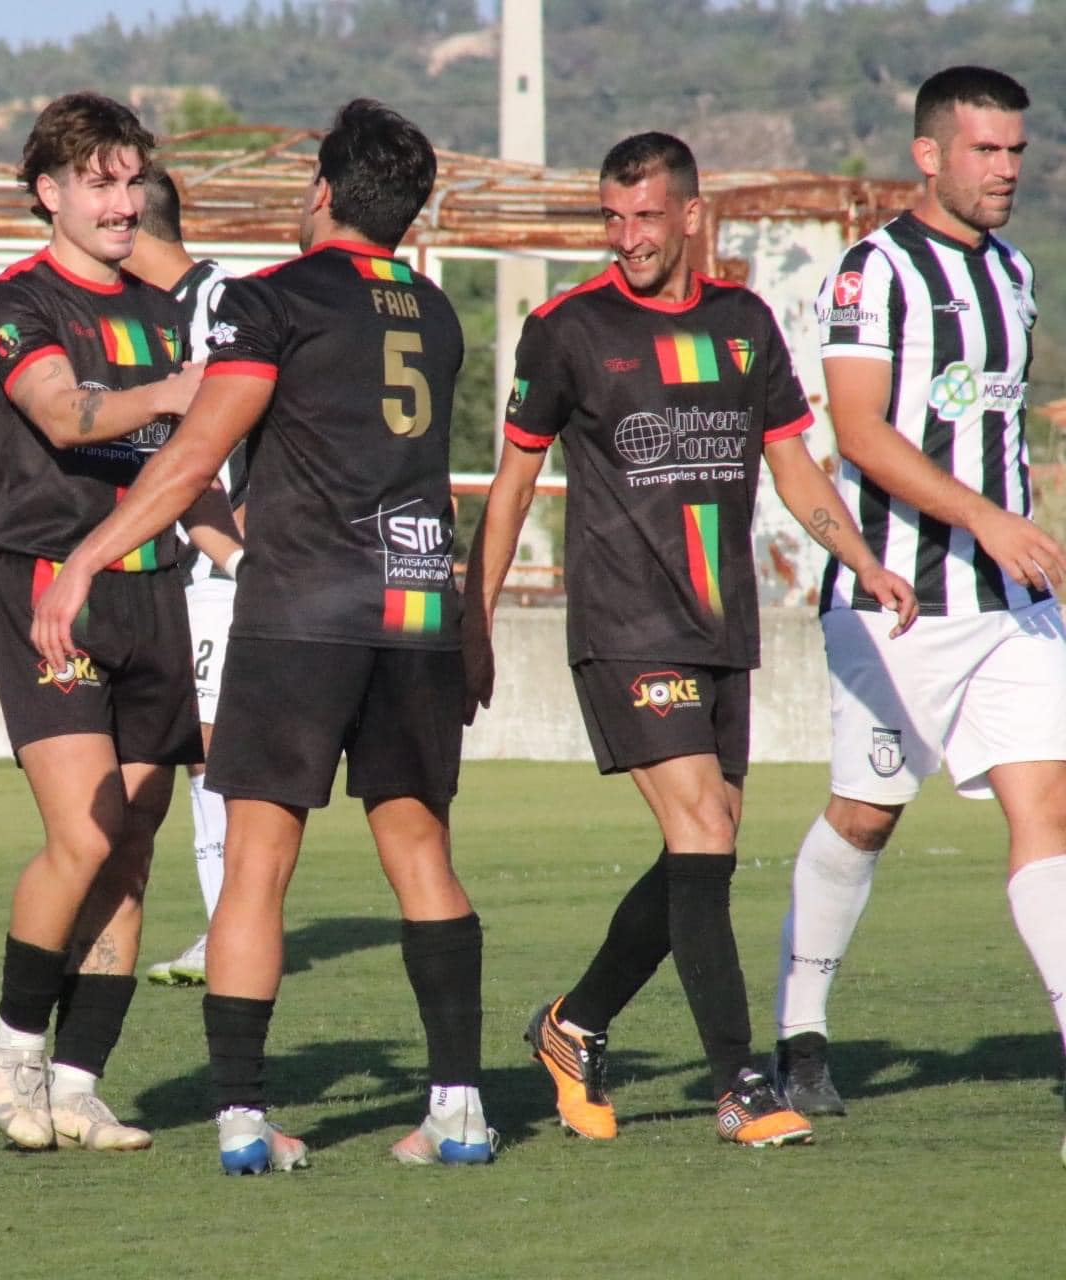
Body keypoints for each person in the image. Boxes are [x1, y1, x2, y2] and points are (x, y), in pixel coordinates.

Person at [36, 98, 498, 1173]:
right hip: (419, 609)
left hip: (305, 613)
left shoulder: (270, 299)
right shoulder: (435, 313)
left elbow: (196, 456)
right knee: (423, 856)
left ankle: (244, 1116)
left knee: (255, 862)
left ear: (325, 193)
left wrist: (91, 557)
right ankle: (460, 1107)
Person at [466, 131, 916, 1149]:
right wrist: (474, 619)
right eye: (611, 219)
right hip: (626, 627)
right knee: (704, 830)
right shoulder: (567, 329)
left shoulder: (746, 322)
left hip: (724, 630)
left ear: (691, 216)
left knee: (697, 851)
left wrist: (864, 556)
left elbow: (796, 469)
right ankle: (740, 1083)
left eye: (646, 218)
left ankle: (571, 1023)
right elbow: (510, 486)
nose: (626, 238)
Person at [769, 67, 1066, 1150]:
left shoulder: (1020, 271)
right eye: (987, 150)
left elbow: (984, 419)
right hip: (898, 602)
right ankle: (801, 1029)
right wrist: (987, 519)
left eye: (1018, 151)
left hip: (1013, 607)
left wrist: (1018, 524)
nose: (1007, 170)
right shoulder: (872, 271)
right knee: (865, 815)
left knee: (1052, 811)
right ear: (931, 154)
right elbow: (859, 429)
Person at [0, 92, 216, 1152]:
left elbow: (189, 479)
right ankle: (16, 1043)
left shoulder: (165, 312)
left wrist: (249, 554)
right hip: (49, 583)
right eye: (100, 184)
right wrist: (180, 391)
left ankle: (77, 1084)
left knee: (133, 847)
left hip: (154, 589)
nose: (121, 204)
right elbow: (69, 412)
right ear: (51, 193)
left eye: (130, 183)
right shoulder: (17, 301)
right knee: (82, 830)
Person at [123, 169, 244, 988]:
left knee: (212, 756)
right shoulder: (146, 317)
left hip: (222, 568)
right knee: (195, 758)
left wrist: (244, 547)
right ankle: (222, 924)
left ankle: (229, 926)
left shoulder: (225, 305)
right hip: (170, 571)